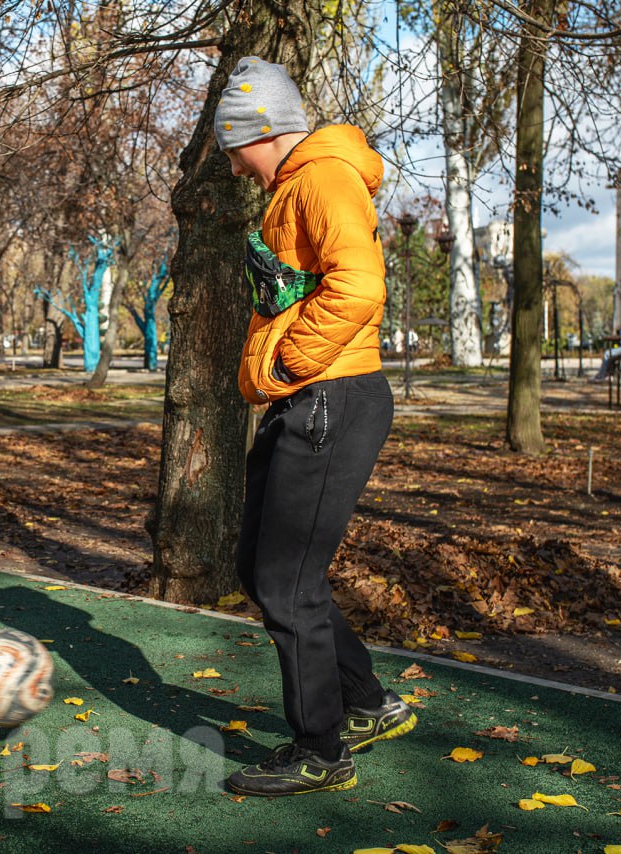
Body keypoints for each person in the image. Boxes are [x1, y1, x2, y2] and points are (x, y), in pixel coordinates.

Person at [214, 57, 416, 797]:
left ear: (256, 132)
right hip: (307, 400)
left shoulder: (324, 178)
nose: (231, 162)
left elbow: (359, 284)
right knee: (261, 569)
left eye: (231, 144)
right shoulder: (294, 187)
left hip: (329, 395)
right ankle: (365, 703)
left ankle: (321, 751)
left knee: (286, 583)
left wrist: (293, 362)